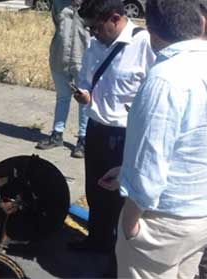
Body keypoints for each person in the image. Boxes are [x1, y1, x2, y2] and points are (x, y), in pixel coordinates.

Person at [98, 0, 207, 277]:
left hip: (162, 221)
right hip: (199, 216)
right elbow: (191, 143)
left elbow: (149, 162)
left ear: (151, 30)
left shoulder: (164, 78)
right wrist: (125, 172)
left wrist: (131, 223)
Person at [69, 0, 156, 260]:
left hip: (126, 136)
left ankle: (120, 257)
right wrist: (85, 95)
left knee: (121, 198)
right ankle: (97, 241)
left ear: (115, 18)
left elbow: (156, 89)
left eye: (96, 27)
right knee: (96, 191)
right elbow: (86, 79)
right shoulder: (95, 45)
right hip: (96, 129)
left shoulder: (145, 44)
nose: (93, 34)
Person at [35, 0, 90, 159]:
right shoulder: (59, 3)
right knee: (62, 97)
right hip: (60, 57)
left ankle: (83, 139)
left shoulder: (92, 4)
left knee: (84, 101)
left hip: (84, 59)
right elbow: (56, 23)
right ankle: (57, 134)